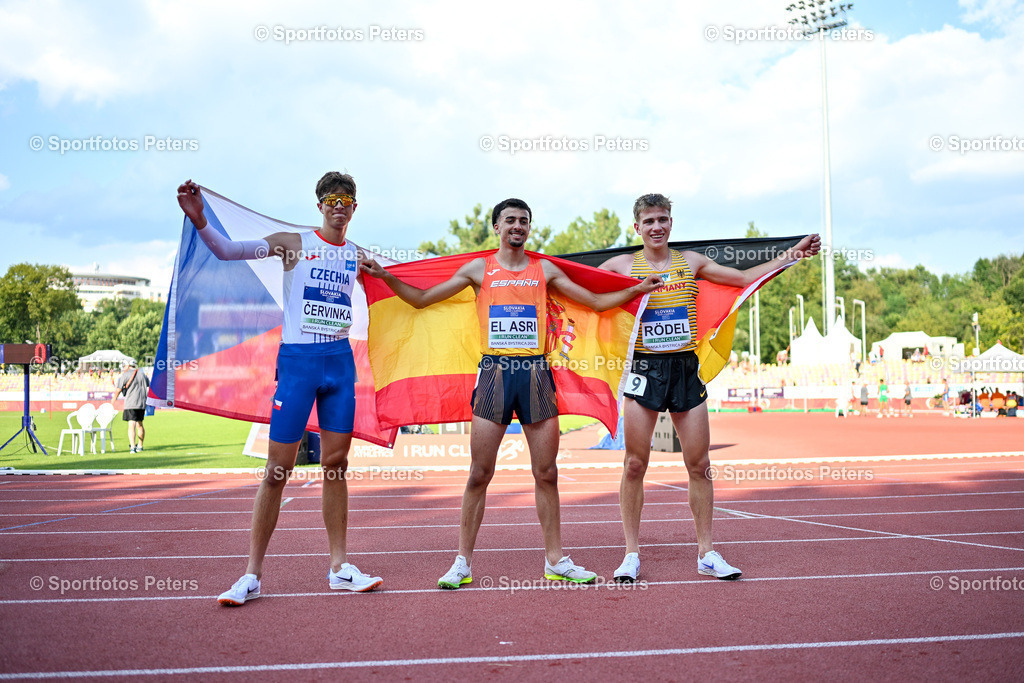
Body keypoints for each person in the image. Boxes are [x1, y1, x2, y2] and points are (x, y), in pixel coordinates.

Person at [360, 198, 663, 589]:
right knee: (479, 474)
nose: (517, 226)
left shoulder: (545, 269)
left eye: (524, 221)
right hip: (495, 375)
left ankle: (556, 560)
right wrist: (385, 277)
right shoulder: (478, 269)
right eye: (510, 221)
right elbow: (421, 299)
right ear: (497, 228)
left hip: (535, 373)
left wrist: (637, 290)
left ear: (529, 228)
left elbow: (596, 303)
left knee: (547, 473)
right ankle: (462, 563)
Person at [176, 174, 383, 606]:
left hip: (339, 365)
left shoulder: (358, 256)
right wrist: (199, 221)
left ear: (355, 208)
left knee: (336, 463)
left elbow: (397, 288)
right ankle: (251, 575)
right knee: (276, 470)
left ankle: (340, 568)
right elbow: (228, 251)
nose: (338, 206)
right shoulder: (293, 242)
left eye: (346, 200)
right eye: (331, 199)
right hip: (299, 366)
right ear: (320, 206)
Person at [598, 193, 820, 582]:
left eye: (663, 219)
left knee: (700, 465)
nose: (656, 226)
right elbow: (591, 298)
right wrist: (633, 290)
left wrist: (795, 254)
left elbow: (747, 277)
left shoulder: (693, 263)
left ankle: (706, 553)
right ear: (637, 227)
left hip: (685, 367)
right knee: (634, 464)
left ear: (671, 223)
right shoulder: (619, 265)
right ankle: (631, 554)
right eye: (649, 221)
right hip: (643, 369)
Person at [114, 359, 150, 453]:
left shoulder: (125, 375)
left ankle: (133, 447)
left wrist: (114, 399)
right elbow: (148, 385)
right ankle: (140, 446)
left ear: (128, 365)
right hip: (142, 403)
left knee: (131, 425)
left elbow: (118, 389)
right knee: (140, 424)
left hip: (131, 403)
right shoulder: (142, 374)